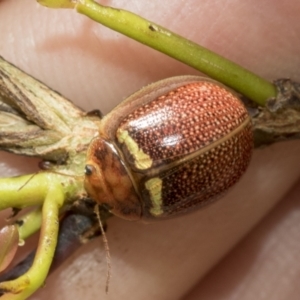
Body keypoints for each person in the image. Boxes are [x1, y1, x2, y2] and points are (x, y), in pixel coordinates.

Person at [0, 1, 300, 299]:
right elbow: (132, 106)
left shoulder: (146, 207)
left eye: (90, 173)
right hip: (208, 114)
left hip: (219, 130)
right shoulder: (114, 135)